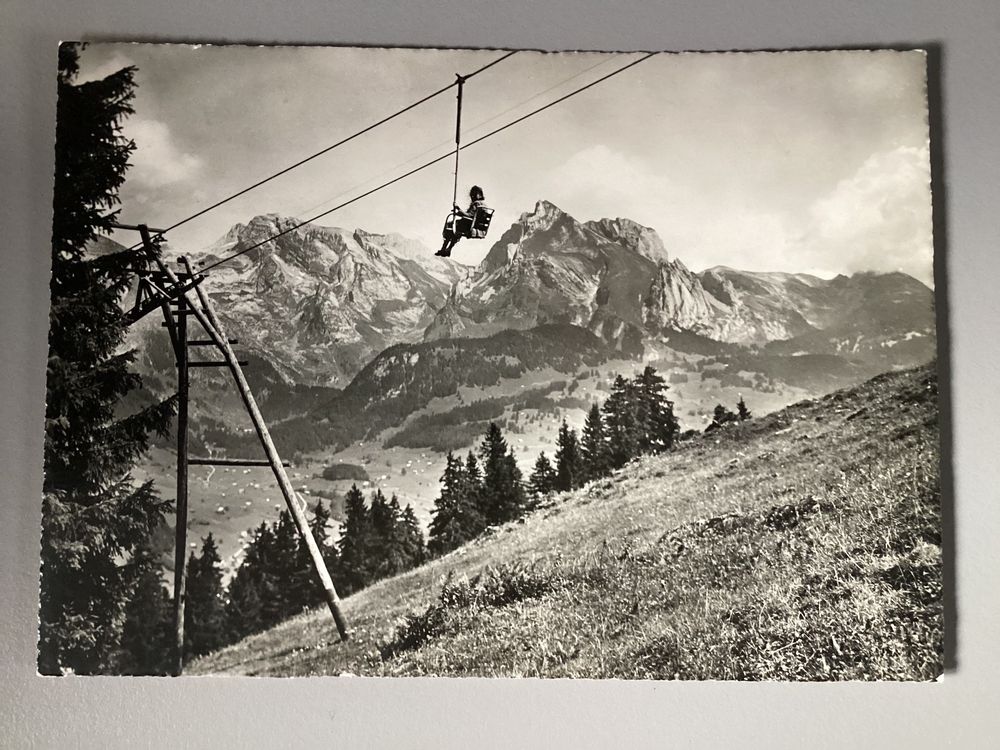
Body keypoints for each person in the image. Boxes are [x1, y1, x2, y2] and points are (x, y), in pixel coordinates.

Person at [436, 185, 487, 257]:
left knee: (450, 227)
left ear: (477, 195)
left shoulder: (477, 204)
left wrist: (458, 209)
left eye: (473, 195)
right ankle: (447, 249)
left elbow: (469, 215)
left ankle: (445, 249)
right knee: (455, 229)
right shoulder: (483, 205)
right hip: (475, 226)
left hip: (469, 226)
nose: (471, 197)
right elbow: (473, 216)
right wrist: (459, 213)